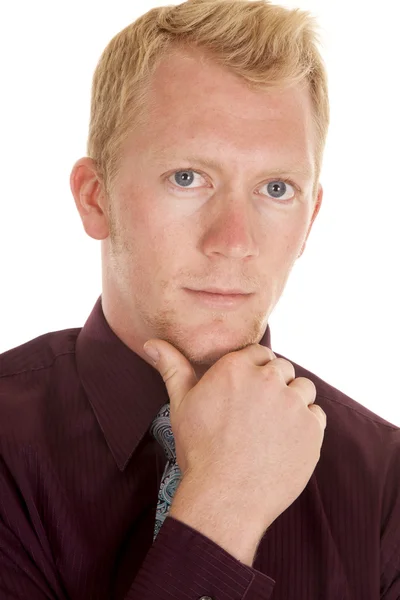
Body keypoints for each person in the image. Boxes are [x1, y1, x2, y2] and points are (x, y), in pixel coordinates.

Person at [0, 0, 399, 598]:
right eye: (188, 177)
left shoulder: (385, 481)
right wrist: (222, 508)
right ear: (95, 197)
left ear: (311, 219)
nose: (233, 242)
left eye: (276, 188)